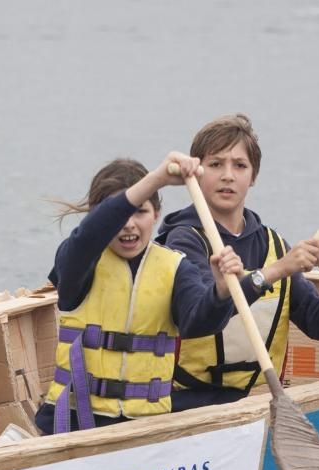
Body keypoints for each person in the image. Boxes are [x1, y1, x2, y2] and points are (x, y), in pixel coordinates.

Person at [156, 114, 319, 412]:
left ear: (253, 176)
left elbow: (313, 316)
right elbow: (199, 318)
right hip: (189, 406)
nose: (228, 175)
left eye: (239, 166)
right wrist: (276, 271)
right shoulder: (182, 242)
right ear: (197, 172)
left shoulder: (273, 245)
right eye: (216, 164)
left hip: (260, 404)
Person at [35, 153, 247, 435]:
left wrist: (221, 291)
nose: (128, 224)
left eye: (141, 212)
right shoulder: (78, 260)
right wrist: (157, 179)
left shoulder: (176, 267)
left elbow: (198, 323)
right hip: (77, 424)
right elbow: (89, 234)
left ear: (156, 215)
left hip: (148, 427)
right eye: (120, 213)